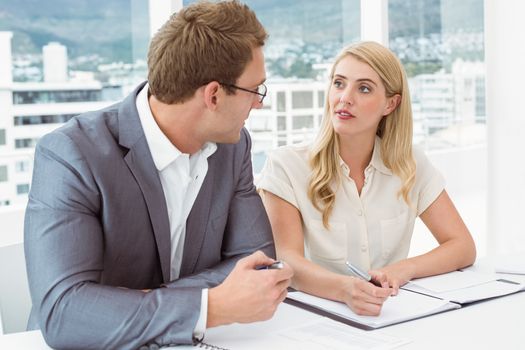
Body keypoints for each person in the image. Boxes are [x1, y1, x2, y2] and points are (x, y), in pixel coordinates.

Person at [24, 1, 293, 349]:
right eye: (255, 90)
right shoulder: (70, 154)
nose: (259, 103)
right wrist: (209, 306)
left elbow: (257, 266)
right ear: (213, 94)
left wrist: (138, 301)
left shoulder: (234, 146)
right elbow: (66, 313)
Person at [257, 41, 476, 316]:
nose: (344, 98)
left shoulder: (411, 164)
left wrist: (402, 269)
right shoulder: (287, 166)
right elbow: (286, 259)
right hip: (313, 318)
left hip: (389, 316)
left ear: (391, 103)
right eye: (339, 83)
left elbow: (463, 246)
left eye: (363, 88)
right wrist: (344, 289)